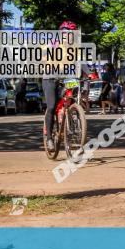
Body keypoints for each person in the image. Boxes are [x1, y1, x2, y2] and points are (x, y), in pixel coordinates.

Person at [44, 21, 77, 151]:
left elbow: (81, 62)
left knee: (72, 100)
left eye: (71, 34)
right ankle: (49, 139)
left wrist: (90, 74)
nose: (68, 36)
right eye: (65, 33)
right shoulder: (53, 43)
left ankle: (73, 126)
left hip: (65, 78)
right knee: (51, 106)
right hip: (50, 77)